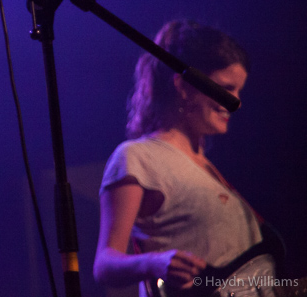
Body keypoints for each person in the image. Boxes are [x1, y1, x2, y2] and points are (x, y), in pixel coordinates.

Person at [93, 19, 265, 296]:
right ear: (185, 87)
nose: (236, 101)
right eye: (226, 88)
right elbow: (104, 264)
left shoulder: (208, 168)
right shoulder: (138, 157)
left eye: (238, 90)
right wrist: (155, 261)